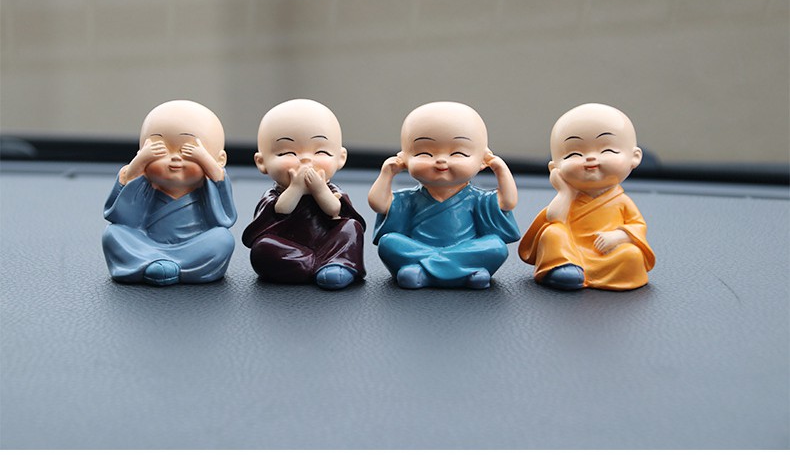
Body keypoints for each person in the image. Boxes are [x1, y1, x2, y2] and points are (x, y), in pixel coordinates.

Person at [369, 101, 519, 289]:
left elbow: (508, 202)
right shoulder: (410, 199)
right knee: (388, 242)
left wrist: (500, 169)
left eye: (458, 153)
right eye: (425, 153)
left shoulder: (476, 199)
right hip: (424, 247)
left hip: (458, 249)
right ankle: (464, 272)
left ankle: (423, 271)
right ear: (404, 158)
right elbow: (379, 204)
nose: (441, 160)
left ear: (482, 160)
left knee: (496, 246)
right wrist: (387, 173)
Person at [519, 102, 655, 291]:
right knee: (552, 232)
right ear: (554, 167)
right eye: (575, 153)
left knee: (632, 254)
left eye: (607, 150)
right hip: (570, 250)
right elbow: (555, 218)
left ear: (635, 157)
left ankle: (598, 274)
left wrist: (618, 236)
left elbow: (638, 225)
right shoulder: (570, 197)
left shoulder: (621, 201)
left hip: (607, 252)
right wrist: (565, 192)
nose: (590, 158)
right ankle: (563, 267)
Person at [102, 100, 236, 285]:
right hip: (146, 244)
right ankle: (151, 263)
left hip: (194, 246)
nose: (174, 158)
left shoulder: (208, 190)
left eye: (188, 151)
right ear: (141, 152)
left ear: (219, 160)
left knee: (222, 239)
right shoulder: (145, 186)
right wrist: (137, 165)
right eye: (161, 150)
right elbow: (123, 218)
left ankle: (172, 267)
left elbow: (224, 219)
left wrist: (205, 161)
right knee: (114, 233)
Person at [241, 99, 365, 291]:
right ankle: (316, 264)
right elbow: (282, 210)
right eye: (288, 153)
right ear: (261, 162)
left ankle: (335, 264)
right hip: (289, 246)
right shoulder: (274, 195)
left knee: (351, 227)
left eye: (321, 151)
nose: (306, 160)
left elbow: (334, 210)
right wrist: (296, 187)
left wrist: (320, 189)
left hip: (327, 241)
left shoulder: (332, 190)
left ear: (340, 158)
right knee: (262, 247)